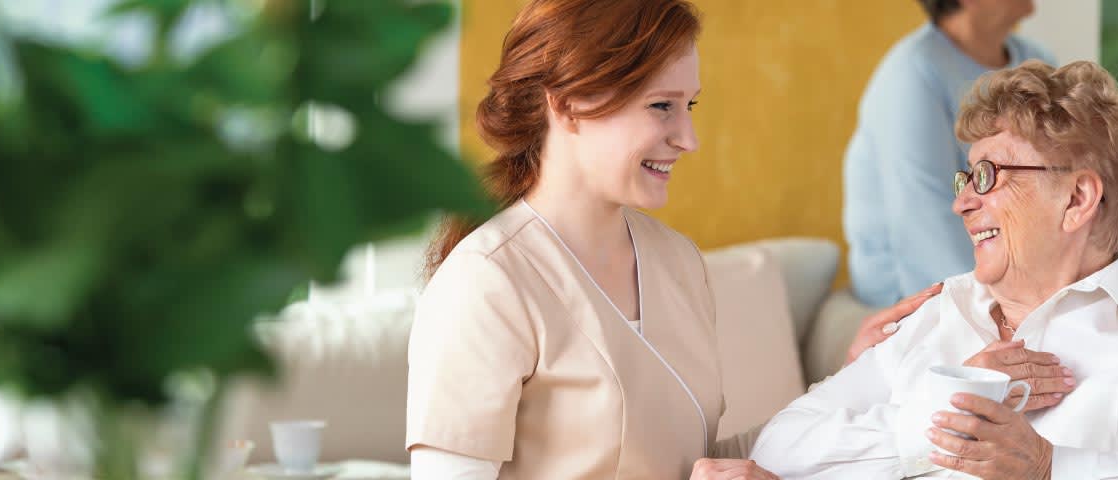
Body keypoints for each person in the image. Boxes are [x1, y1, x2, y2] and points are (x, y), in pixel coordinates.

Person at [403, 1, 943, 478]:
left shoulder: (676, 260)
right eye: (662, 106)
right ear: (566, 104)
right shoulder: (486, 282)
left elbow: (701, 464)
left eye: (691, 106)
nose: (688, 138)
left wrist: (855, 382)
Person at [752, 61, 1118, 479]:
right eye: (966, 179)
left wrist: (1052, 467)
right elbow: (776, 449)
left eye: (988, 175)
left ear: (1076, 199)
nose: (962, 203)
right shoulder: (938, 313)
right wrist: (945, 409)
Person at [844, 0, 1055, 308]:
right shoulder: (914, 72)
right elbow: (924, 225)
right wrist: (998, 310)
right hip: (915, 298)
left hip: (1014, 284)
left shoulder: (1035, 60)